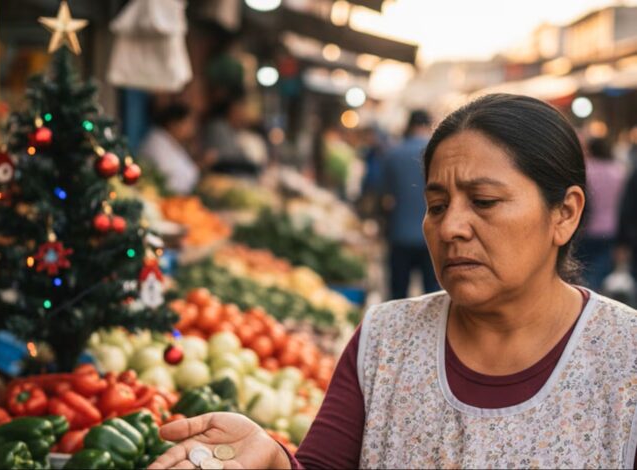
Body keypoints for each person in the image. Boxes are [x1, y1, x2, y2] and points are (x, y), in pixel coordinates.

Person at [148, 94, 637, 469]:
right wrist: (275, 459)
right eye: (437, 205)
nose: (451, 228)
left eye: (484, 202)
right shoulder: (386, 338)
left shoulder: (625, 358)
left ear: (565, 214)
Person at [379, 109, 439, 299]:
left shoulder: (393, 153)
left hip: (399, 233)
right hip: (433, 236)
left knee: (398, 294)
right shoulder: (438, 153)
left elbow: (382, 193)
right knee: (433, 294)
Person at [578, 137, 627, 289]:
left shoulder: (586, 169)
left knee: (583, 269)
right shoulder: (619, 170)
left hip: (587, 228)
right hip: (611, 227)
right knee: (601, 269)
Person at [139, 103, 200, 195]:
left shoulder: (172, 141)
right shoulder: (156, 142)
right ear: (173, 124)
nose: (192, 128)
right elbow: (167, 178)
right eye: (188, 123)